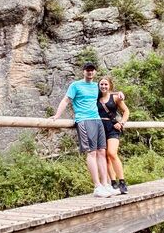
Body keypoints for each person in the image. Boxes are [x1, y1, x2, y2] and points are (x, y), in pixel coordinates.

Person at [51, 62, 120, 198]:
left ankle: (106, 185)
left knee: (102, 152)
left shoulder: (96, 86)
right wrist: (57, 115)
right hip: (84, 120)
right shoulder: (75, 85)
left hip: (97, 120)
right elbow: (66, 100)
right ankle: (97, 186)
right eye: (87, 70)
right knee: (92, 152)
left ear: (94, 72)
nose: (90, 72)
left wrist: (119, 93)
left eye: (92, 70)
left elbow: (108, 92)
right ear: (83, 71)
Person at [97, 76, 130, 194]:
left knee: (112, 153)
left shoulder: (115, 97)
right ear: (98, 85)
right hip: (100, 128)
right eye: (101, 84)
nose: (103, 86)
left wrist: (121, 123)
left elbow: (126, 111)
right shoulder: (96, 97)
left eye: (106, 84)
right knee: (105, 156)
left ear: (110, 85)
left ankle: (122, 182)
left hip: (113, 127)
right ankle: (113, 183)